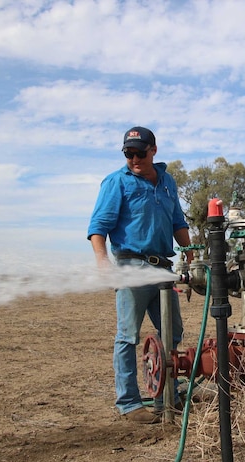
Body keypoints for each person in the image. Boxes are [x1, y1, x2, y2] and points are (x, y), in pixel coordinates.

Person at [87, 126, 193, 424]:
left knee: (172, 333)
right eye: (128, 154)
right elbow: (98, 227)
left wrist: (192, 256)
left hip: (163, 269)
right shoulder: (116, 182)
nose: (134, 159)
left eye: (140, 153)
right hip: (130, 268)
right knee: (127, 336)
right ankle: (129, 403)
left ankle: (166, 398)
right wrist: (102, 262)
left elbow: (178, 223)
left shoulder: (168, 182)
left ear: (153, 150)